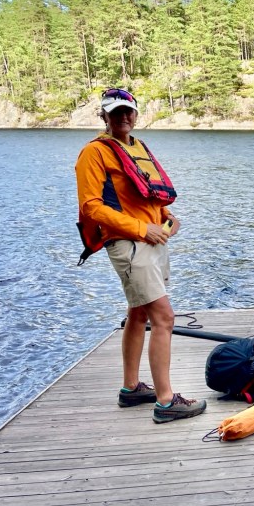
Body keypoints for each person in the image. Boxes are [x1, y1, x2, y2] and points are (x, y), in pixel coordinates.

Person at [75, 88, 206, 424]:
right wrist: (140, 229)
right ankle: (166, 401)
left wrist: (168, 219)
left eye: (128, 111)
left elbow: (149, 197)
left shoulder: (137, 147)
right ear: (104, 116)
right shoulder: (94, 152)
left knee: (138, 313)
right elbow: (91, 208)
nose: (123, 117)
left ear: (135, 114)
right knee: (164, 317)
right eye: (115, 112)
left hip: (152, 240)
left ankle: (131, 388)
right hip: (129, 244)